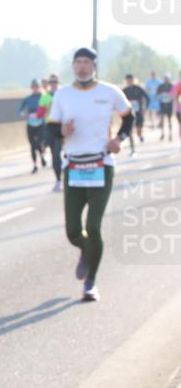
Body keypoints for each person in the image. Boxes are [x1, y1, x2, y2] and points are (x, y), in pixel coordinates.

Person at [46, 48, 132, 302]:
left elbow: (129, 117)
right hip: (73, 167)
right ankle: (86, 250)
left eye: (86, 62)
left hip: (101, 165)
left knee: (93, 226)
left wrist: (119, 139)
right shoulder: (63, 94)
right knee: (73, 231)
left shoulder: (110, 91)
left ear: (94, 65)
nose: (82, 67)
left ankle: (91, 282)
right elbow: (51, 130)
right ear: (73, 66)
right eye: (78, 62)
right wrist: (63, 130)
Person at [38, 74, 63, 191]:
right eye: (51, 82)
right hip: (50, 127)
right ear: (48, 84)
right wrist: (46, 108)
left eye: (55, 81)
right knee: (55, 155)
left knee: (63, 153)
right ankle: (59, 179)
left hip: (63, 127)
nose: (53, 83)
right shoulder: (45, 97)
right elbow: (39, 114)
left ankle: (67, 177)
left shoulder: (64, 94)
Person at [18, 79, 47, 172]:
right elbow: (20, 111)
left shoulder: (43, 97)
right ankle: (35, 165)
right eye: (33, 87)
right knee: (32, 145)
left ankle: (42, 156)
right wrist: (24, 115)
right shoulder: (27, 99)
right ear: (31, 88)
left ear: (39, 87)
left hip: (41, 124)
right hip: (30, 124)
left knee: (38, 143)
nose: (35, 88)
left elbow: (48, 108)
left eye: (36, 86)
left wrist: (43, 114)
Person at [121, 74, 149, 155]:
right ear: (126, 81)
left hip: (139, 112)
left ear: (134, 80)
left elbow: (147, 97)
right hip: (129, 114)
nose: (130, 82)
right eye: (128, 80)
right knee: (129, 132)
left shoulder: (139, 89)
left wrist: (145, 108)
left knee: (138, 130)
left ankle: (140, 135)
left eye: (131, 80)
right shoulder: (124, 91)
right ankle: (133, 149)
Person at [156, 74, 174, 141]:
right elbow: (157, 94)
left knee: (169, 120)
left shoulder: (172, 86)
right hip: (162, 105)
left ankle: (170, 134)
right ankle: (162, 134)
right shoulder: (160, 86)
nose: (166, 79)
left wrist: (170, 96)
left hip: (169, 105)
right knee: (162, 119)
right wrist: (161, 95)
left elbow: (174, 94)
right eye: (165, 78)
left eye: (167, 78)